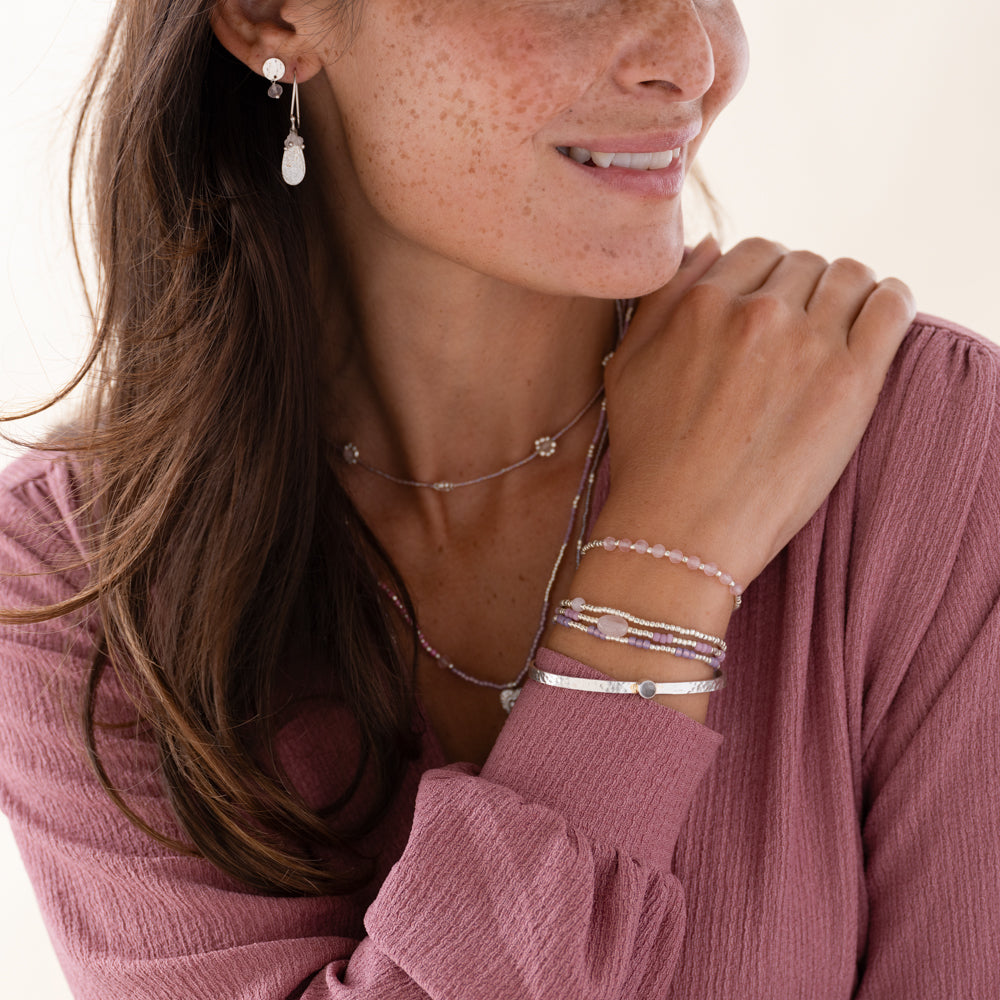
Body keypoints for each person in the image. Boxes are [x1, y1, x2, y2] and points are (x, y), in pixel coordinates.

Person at [1, 0, 998, 997]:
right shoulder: (71, 585)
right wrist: (660, 574)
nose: (694, 60)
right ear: (273, 15)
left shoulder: (925, 453)